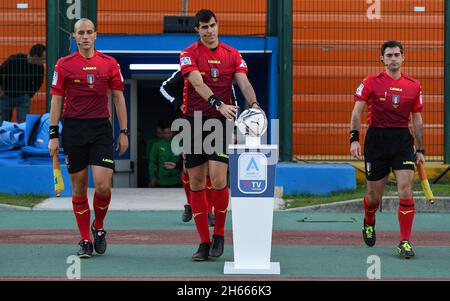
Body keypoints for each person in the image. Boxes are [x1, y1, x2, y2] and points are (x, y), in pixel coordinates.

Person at [179, 9, 263, 261]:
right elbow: (196, 83)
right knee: (195, 181)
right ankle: (203, 242)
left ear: (218, 26)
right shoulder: (188, 54)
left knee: (217, 178)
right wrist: (218, 102)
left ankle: (219, 234)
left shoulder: (232, 54)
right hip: (194, 121)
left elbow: (244, 83)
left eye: (212, 25)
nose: (209, 31)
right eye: (204, 27)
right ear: (197, 30)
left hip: (221, 122)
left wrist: (255, 104)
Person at [48, 18, 128, 258]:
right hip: (73, 130)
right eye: (80, 32)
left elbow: (118, 98)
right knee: (79, 187)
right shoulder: (63, 65)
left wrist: (123, 132)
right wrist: (53, 134)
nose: (85, 36)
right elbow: (56, 100)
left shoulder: (109, 64)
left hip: (101, 129)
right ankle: (84, 239)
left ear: (96, 35)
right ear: (74, 36)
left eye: (89, 32)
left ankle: (99, 227)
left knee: (103, 185)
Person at [350, 40, 424, 259]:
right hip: (376, 140)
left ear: (403, 58)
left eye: (397, 55)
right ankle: (369, 220)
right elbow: (356, 113)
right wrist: (354, 139)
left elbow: (417, 119)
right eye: (389, 55)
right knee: (374, 197)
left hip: (402, 139)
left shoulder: (414, 85)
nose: (393, 58)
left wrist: (420, 149)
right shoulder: (371, 82)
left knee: (406, 189)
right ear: (382, 58)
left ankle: (405, 241)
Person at [160, 70, 216, 227]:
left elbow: (228, 92)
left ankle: (208, 211)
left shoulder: (217, 66)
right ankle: (191, 204)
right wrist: (179, 103)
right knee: (188, 169)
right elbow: (164, 88)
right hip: (188, 122)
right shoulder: (186, 68)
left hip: (213, 123)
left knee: (210, 169)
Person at [0, 43, 46, 123]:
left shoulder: (40, 67)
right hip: (6, 96)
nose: (44, 62)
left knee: (24, 124)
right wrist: (1, 90)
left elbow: (38, 82)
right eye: (43, 59)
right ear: (35, 57)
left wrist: (29, 94)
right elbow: (1, 72)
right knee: (3, 123)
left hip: (23, 98)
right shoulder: (15, 59)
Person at [147, 119, 182, 187]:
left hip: (177, 180)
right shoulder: (156, 145)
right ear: (162, 133)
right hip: (162, 181)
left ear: (172, 132)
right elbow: (152, 162)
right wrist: (152, 177)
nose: (167, 135)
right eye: (165, 133)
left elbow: (184, 161)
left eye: (169, 133)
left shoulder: (179, 143)